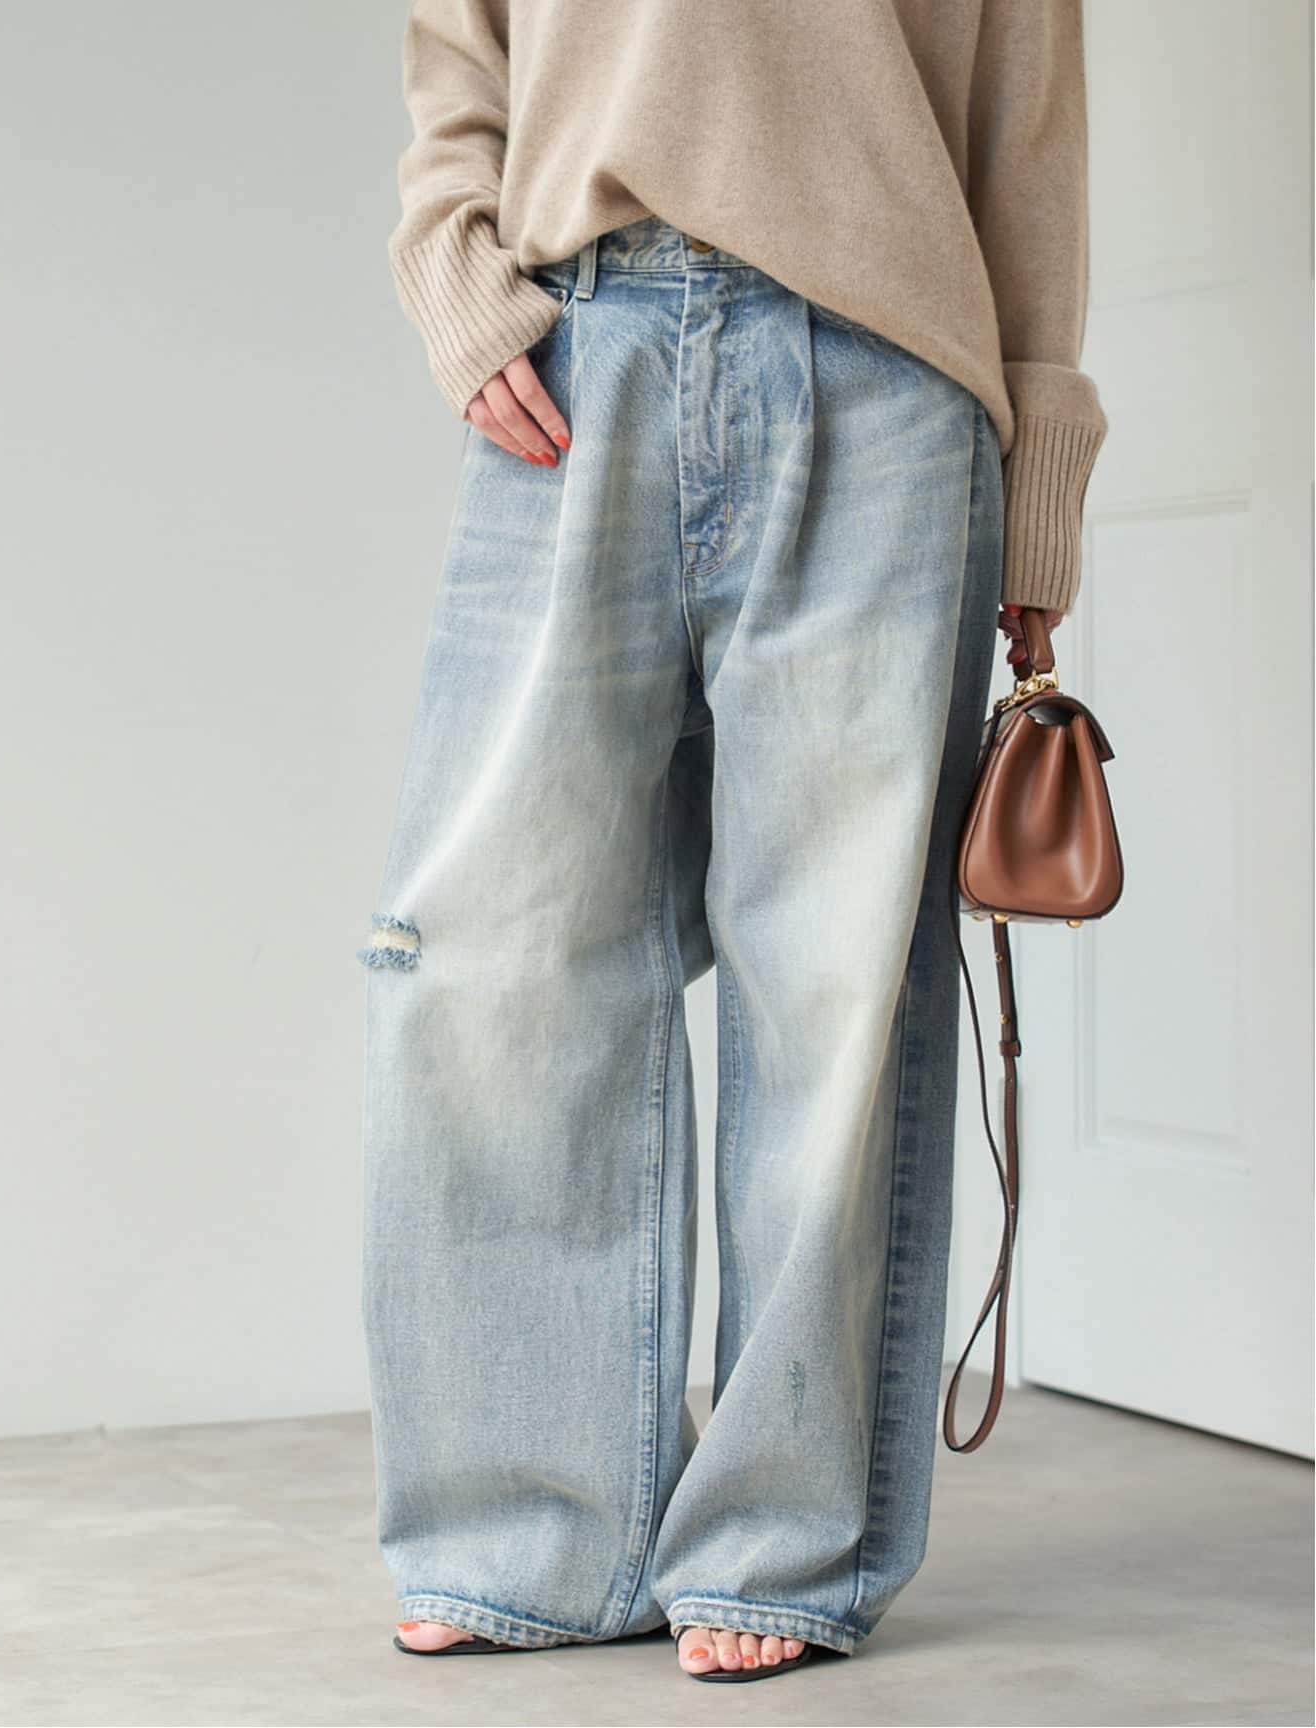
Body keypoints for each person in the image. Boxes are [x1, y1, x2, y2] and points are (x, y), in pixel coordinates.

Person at [362, 0, 1106, 1686]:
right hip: (578, 341)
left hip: (890, 364)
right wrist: (455, 270)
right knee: (487, 964)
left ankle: (778, 1541)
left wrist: (1040, 466)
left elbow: (1027, 115)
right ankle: (524, 1530)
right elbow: (458, 40)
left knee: (828, 988)